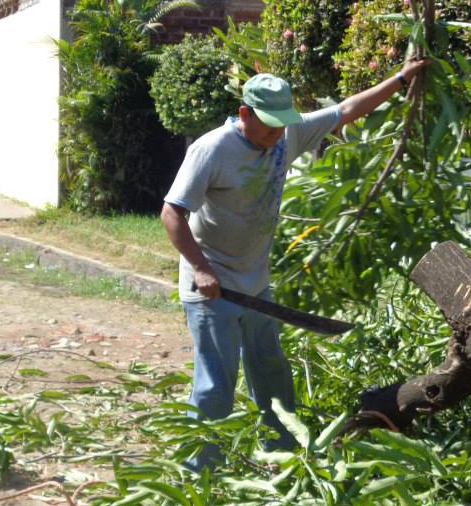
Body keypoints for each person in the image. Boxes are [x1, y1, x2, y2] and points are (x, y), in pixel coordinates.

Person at [161, 60, 427, 469]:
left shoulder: (287, 134)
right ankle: (200, 471)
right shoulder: (211, 149)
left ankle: (282, 455)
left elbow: (347, 109)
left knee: (271, 372)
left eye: (281, 126)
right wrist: (200, 269)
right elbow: (172, 214)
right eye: (267, 126)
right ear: (245, 113)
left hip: (255, 286)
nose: (275, 136)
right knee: (216, 385)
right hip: (212, 288)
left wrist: (401, 78)